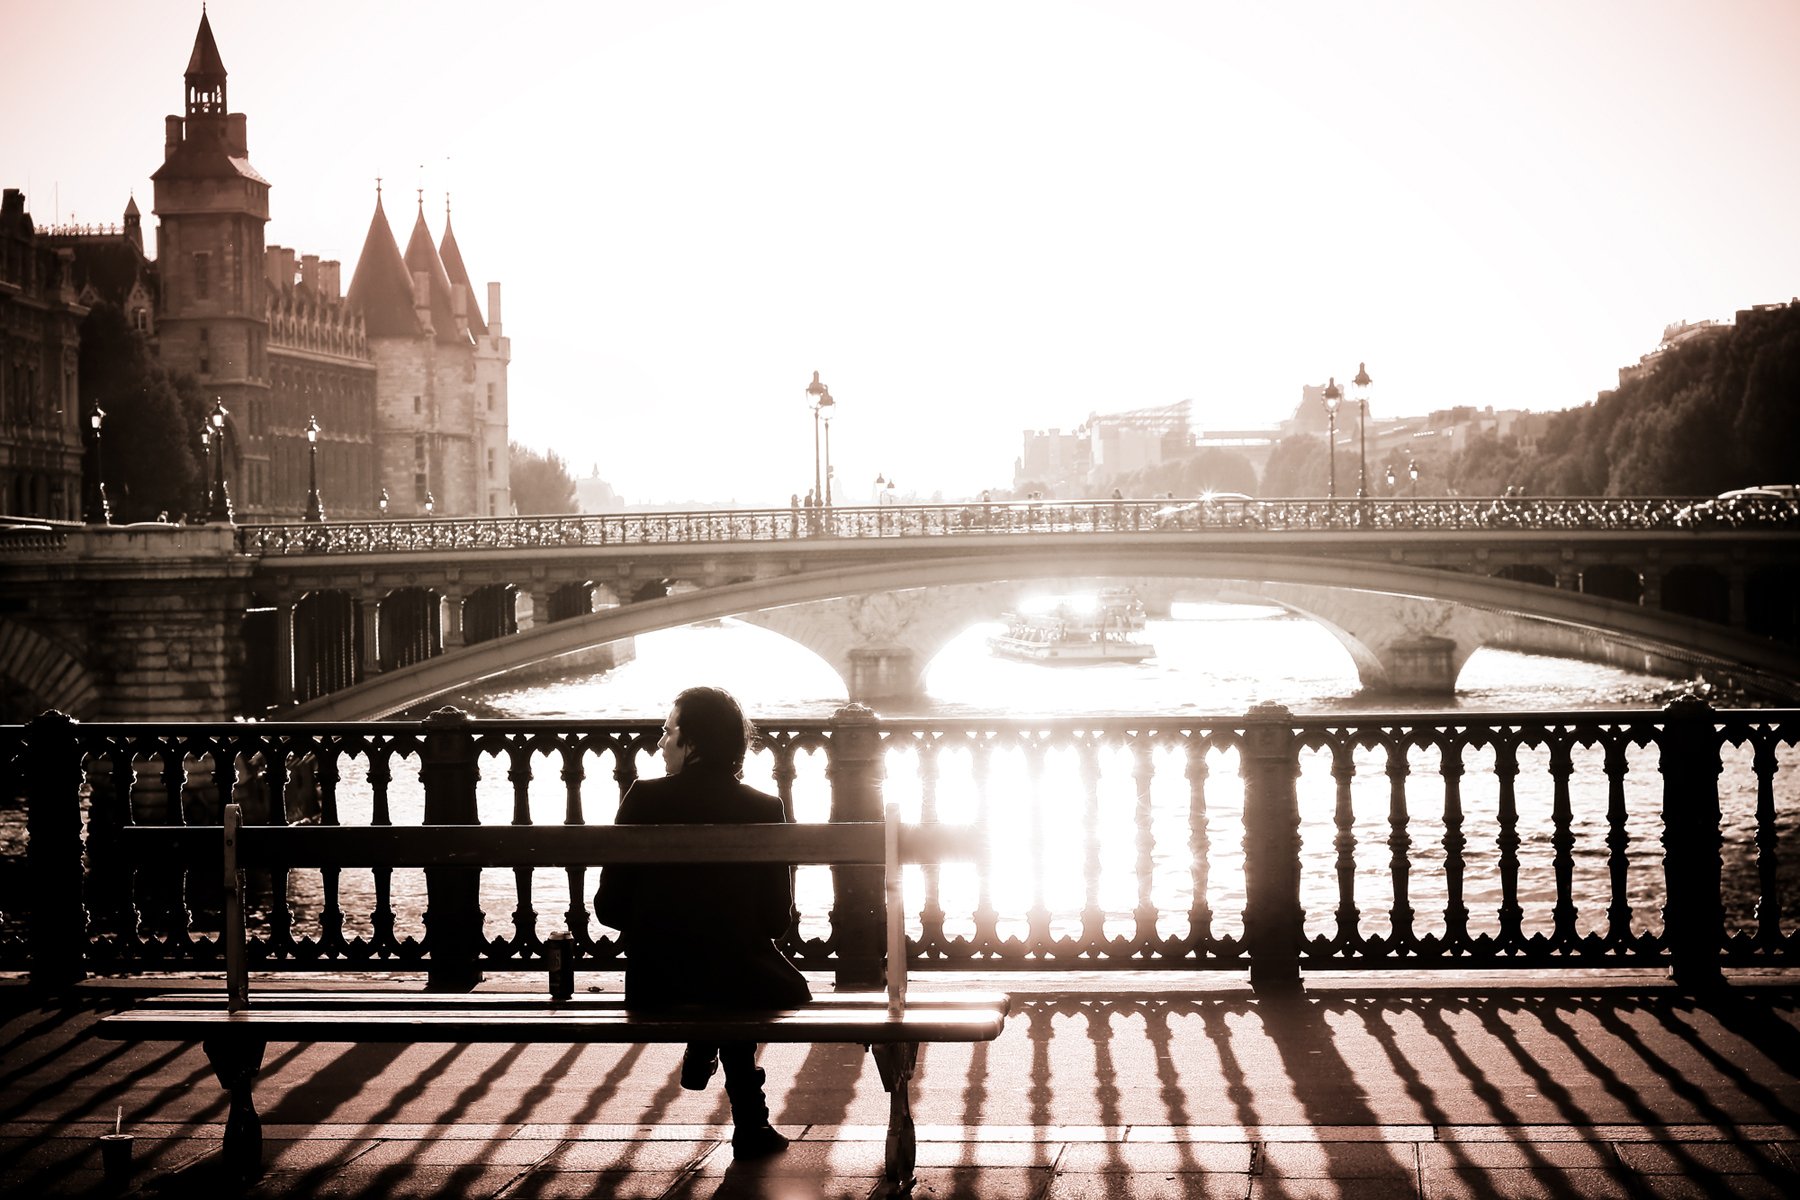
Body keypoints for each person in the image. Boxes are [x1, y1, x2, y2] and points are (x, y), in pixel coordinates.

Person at [594, 686, 809, 1160]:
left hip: (656, 982)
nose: (659, 743)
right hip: (737, 980)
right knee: (734, 972)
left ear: (691, 744)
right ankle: (749, 1119)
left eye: (668, 732)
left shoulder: (643, 799)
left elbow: (608, 909)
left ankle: (705, 1040)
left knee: (715, 973)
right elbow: (775, 921)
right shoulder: (763, 807)